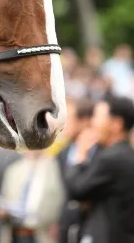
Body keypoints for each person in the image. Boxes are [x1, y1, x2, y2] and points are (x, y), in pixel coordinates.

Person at [66, 96, 134, 243]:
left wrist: (81, 154)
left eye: (97, 117)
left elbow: (77, 190)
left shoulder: (111, 158)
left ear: (116, 124)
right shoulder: (124, 154)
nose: (92, 123)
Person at [0, 150, 65, 243]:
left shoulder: (55, 167)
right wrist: (1, 210)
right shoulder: (13, 170)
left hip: (43, 234)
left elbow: (62, 199)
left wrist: (58, 223)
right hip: (16, 233)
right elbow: (4, 200)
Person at [57, 98, 95, 243]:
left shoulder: (102, 152)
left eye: (68, 119)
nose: (62, 125)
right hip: (66, 228)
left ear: (85, 121)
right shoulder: (62, 153)